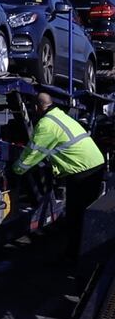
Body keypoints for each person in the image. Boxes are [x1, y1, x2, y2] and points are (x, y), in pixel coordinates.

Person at [13, 92, 105, 257]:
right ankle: (78, 253)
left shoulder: (46, 125)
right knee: (82, 214)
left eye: (33, 107)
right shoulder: (59, 115)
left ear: (38, 107)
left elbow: (32, 154)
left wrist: (16, 170)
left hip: (83, 171)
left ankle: (74, 256)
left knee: (76, 216)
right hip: (93, 166)